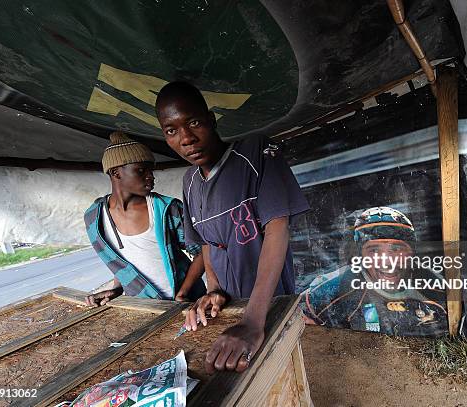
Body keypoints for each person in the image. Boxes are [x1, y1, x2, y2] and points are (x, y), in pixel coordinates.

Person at [155, 81, 309, 373]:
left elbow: (278, 230)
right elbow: (207, 243)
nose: (186, 138)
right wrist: (214, 291)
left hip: (268, 307)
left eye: (194, 122)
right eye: (171, 131)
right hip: (232, 313)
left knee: (284, 374)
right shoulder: (189, 183)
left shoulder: (256, 153)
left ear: (211, 120)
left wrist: (253, 320)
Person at [84, 131, 206, 306]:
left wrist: (183, 293)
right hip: (144, 307)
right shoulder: (94, 219)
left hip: (188, 302)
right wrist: (117, 288)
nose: (151, 176)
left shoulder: (167, 209)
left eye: (151, 170)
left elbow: (203, 251)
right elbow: (125, 260)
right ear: (116, 173)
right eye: (141, 170)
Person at [302, 206, 448, 336]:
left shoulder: (438, 288)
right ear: (360, 256)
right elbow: (294, 323)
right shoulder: (331, 290)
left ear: (412, 253)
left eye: (396, 249)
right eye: (374, 250)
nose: (386, 261)